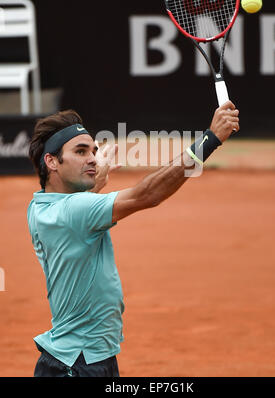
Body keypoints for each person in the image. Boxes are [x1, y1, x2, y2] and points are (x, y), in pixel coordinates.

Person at [27, 103, 239, 377]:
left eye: (93, 151)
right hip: (77, 364)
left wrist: (95, 180)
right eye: (80, 152)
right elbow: (147, 195)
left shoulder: (40, 207)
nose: (92, 158)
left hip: (88, 358)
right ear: (52, 161)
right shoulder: (76, 211)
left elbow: (78, 206)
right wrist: (210, 139)